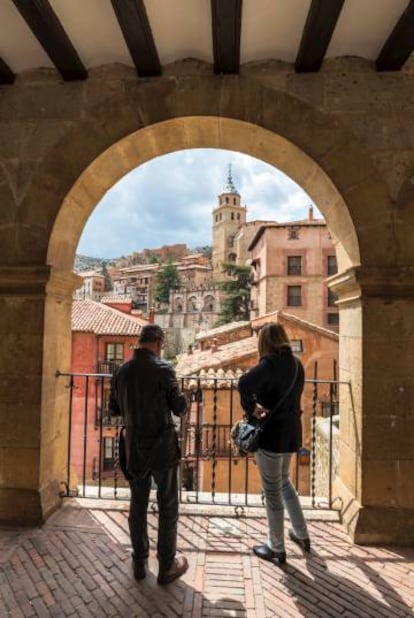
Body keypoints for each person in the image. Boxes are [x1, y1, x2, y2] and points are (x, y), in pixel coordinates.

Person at [109, 324, 189, 584]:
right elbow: (179, 408)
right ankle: (166, 565)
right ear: (158, 342)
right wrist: (183, 396)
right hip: (162, 447)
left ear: (140, 342)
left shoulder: (121, 371)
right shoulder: (164, 369)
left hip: (134, 446)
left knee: (138, 504)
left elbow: (114, 409)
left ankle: (139, 562)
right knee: (167, 505)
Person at [238, 322, 310, 564]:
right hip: (291, 433)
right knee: (284, 483)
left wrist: (252, 408)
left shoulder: (269, 364)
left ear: (265, 343)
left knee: (272, 490)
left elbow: (243, 384)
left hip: (271, 433)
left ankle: (276, 547)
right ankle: (301, 534)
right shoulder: (297, 365)